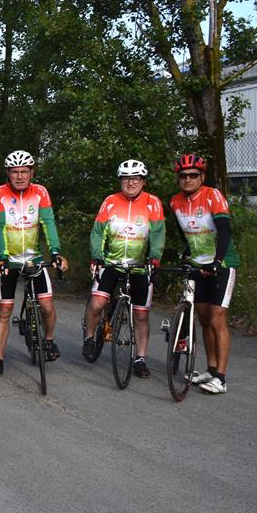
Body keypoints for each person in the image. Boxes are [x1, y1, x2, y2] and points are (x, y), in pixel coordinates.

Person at [83, 159, 165, 377]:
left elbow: (157, 233)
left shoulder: (152, 203)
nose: (130, 182)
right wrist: (97, 257)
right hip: (112, 262)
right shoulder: (110, 201)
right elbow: (98, 232)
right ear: (120, 181)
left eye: (135, 178)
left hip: (139, 267)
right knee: (97, 303)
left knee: (141, 315)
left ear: (143, 181)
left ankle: (140, 358)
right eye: (126, 178)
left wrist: (154, 258)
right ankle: (90, 337)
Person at [0, 150, 69, 374]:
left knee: (46, 305)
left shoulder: (40, 192)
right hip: (9, 259)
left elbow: (48, 222)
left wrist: (55, 252)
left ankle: (49, 340)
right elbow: (0, 227)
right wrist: (3, 256)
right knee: (4, 311)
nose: (19, 176)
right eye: (15, 172)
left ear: (32, 172)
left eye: (24, 171)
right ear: (8, 173)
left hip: (33, 258)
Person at [168, 154, 239, 394]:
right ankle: (210, 369)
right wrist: (187, 252)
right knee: (204, 318)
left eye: (193, 175)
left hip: (222, 264)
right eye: (183, 176)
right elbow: (184, 233)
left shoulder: (212, 196)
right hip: (198, 266)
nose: (188, 179)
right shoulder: (175, 202)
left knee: (217, 317)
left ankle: (221, 378)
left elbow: (225, 231)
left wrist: (217, 261)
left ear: (202, 176)